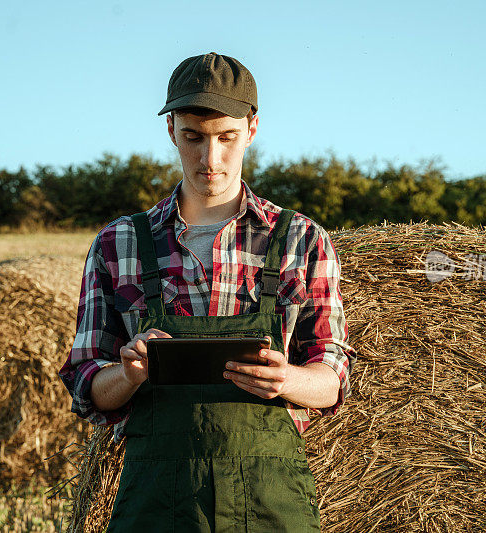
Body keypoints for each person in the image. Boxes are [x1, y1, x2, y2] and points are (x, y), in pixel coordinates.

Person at [59, 51, 357, 532]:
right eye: (194, 137)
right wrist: (129, 373)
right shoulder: (119, 244)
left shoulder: (301, 240)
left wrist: (286, 380)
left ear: (252, 130)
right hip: (157, 509)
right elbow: (85, 381)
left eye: (226, 138)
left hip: (269, 508)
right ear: (171, 131)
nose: (210, 158)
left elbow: (333, 375)